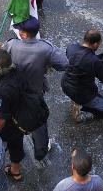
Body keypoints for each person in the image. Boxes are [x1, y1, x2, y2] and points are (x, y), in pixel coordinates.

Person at [4, 15, 65, 165]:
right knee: (39, 121)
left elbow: (0, 59)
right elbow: (64, 64)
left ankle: (7, 150)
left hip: (13, 93)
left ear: (23, 34)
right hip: (35, 94)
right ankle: (40, 152)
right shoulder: (45, 48)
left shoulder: (11, 45)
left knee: (9, 121)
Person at [61, 29, 103, 121]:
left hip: (66, 84)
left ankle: (77, 100)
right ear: (95, 44)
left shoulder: (72, 47)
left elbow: (81, 60)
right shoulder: (93, 61)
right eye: (99, 43)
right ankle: (81, 108)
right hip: (81, 93)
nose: (99, 45)